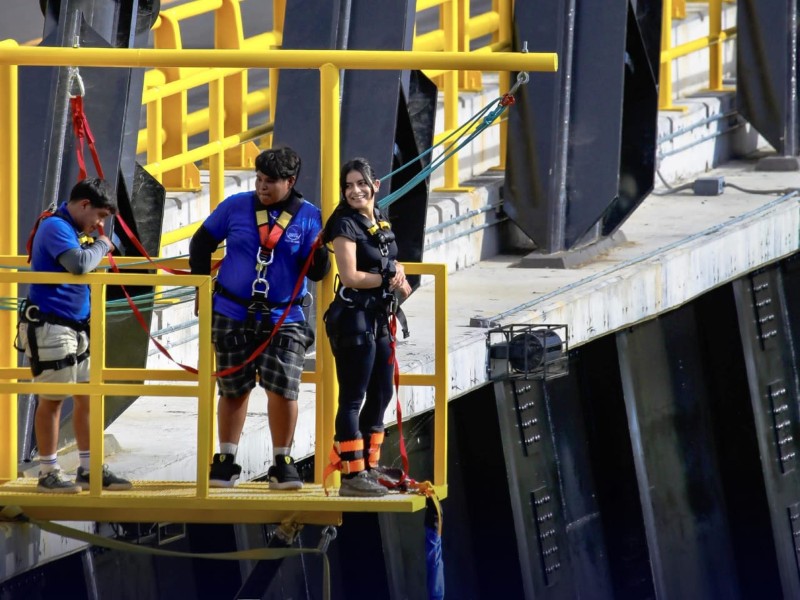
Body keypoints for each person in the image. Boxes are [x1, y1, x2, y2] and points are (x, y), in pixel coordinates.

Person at [189, 146, 329, 490]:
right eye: (259, 179)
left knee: (284, 389)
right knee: (233, 387)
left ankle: (282, 461)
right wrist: (200, 289)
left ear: (290, 182)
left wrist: (321, 247)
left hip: (285, 316)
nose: (261, 187)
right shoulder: (235, 207)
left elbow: (319, 270)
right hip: (231, 311)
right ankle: (225, 459)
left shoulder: (309, 217)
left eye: (270, 182)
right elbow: (200, 243)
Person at [17, 177, 132, 494]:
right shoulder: (56, 228)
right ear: (84, 205)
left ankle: (89, 467)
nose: (99, 225)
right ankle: (48, 472)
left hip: (76, 327)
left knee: (88, 397)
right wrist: (102, 245)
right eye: (100, 216)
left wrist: (94, 243)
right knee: (52, 401)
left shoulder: (72, 230)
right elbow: (79, 264)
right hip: (51, 327)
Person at [321, 157, 411, 497]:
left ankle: (370, 465)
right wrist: (388, 278)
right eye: (348, 185)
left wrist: (398, 273)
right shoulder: (344, 224)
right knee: (353, 397)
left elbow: (386, 256)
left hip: (377, 317)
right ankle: (352, 474)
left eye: (361, 183)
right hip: (352, 319)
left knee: (383, 391)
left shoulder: (378, 218)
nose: (355, 190)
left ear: (376, 185)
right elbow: (351, 276)